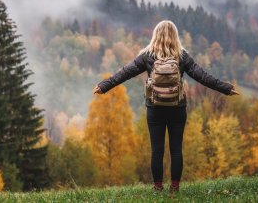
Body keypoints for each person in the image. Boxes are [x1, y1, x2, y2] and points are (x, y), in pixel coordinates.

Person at [93, 20, 239, 193]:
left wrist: (104, 86)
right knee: (176, 150)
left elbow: (124, 72)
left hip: (154, 109)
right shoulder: (182, 56)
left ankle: (157, 187)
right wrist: (226, 88)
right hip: (177, 108)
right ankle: (175, 187)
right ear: (175, 36)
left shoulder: (147, 55)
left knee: (157, 150)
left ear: (156, 35)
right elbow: (203, 76)